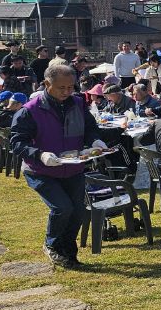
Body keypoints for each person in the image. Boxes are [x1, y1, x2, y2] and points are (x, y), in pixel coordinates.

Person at [10, 65, 107, 268]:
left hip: (73, 167)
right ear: (47, 84)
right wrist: (40, 154)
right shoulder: (30, 110)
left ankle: (68, 252)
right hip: (40, 169)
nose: (66, 92)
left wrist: (96, 141)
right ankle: (52, 245)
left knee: (78, 211)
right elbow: (17, 142)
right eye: (61, 87)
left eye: (70, 87)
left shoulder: (78, 104)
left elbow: (90, 128)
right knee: (62, 208)